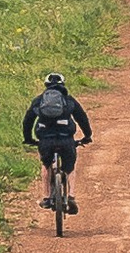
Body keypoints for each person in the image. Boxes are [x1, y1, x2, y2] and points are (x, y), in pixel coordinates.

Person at [21, 71, 90, 205]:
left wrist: (28, 138)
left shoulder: (39, 100)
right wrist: (87, 136)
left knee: (46, 165)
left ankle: (46, 197)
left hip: (45, 139)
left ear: (46, 85)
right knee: (70, 166)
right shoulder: (69, 100)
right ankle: (71, 196)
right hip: (66, 139)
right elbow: (82, 118)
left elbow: (28, 120)